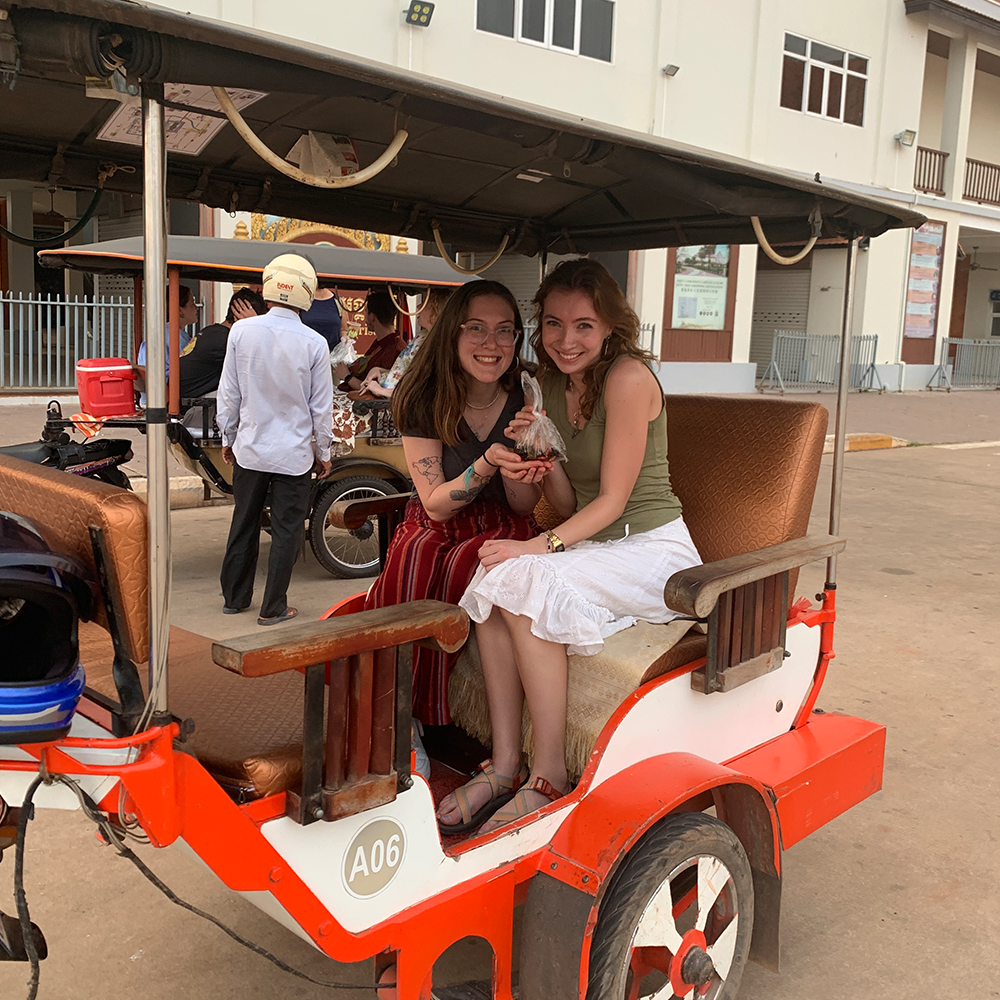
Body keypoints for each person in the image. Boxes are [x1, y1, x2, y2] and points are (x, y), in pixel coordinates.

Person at [438, 259, 702, 834]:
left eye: (583, 325)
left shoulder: (628, 379)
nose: (566, 340)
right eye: (553, 324)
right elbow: (564, 493)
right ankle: (507, 764)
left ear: (610, 326)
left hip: (652, 549)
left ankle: (549, 772)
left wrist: (542, 545)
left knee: (526, 574)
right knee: (491, 577)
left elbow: (610, 501)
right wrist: (540, 464)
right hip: (598, 544)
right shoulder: (550, 385)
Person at [364, 281, 540, 808]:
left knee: (473, 561)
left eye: (505, 330)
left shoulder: (525, 393)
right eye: (477, 328)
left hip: (500, 520)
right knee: (419, 554)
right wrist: (488, 460)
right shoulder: (422, 393)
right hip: (440, 511)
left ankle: (446, 728)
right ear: (454, 332)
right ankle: (405, 720)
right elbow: (437, 502)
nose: (492, 343)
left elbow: (523, 507)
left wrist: (521, 460)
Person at [216, 253, 334, 627]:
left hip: (250, 449)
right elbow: (321, 408)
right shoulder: (315, 343)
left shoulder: (241, 331)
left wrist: (228, 436)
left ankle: (235, 599)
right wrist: (325, 451)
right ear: (306, 293)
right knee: (286, 530)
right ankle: (274, 608)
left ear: (269, 289)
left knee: (244, 522)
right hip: (294, 456)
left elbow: (229, 394)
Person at [358, 286, 453, 398]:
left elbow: (421, 391)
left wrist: (381, 391)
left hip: (396, 407)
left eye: (424, 304)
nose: (418, 306)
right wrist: (380, 370)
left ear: (435, 310)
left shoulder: (439, 347)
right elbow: (405, 374)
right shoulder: (423, 337)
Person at [179, 289, 266, 399]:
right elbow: (260, 364)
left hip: (186, 399)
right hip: (193, 406)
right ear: (241, 313)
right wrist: (253, 327)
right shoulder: (227, 340)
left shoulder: (212, 331)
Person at [135, 284, 198, 407]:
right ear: (179, 310)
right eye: (192, 304)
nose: (196, 308)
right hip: (165, 399)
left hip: (147, 398)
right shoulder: (175, 337)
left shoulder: (161, 332)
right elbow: (189, 369)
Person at [335, 290, 405, 391]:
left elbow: (373, 390)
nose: (365, 320)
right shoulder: (380, 343)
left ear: (372, 317)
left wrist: (347, 377)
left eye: (366, 313)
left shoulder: (395, 349)